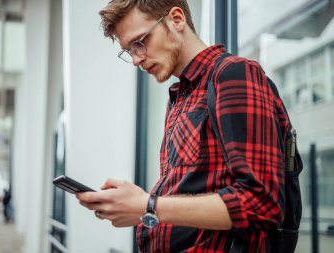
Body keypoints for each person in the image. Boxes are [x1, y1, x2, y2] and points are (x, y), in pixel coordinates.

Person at [76, 0, 290, 252]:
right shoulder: (181, 98)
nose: (136, 59)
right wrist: (138, 208)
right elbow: (192, 204)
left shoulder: (233, 74)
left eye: (140, 42)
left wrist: (148, 205)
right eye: (129, 50)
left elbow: (261, 204)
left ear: (176, 20)